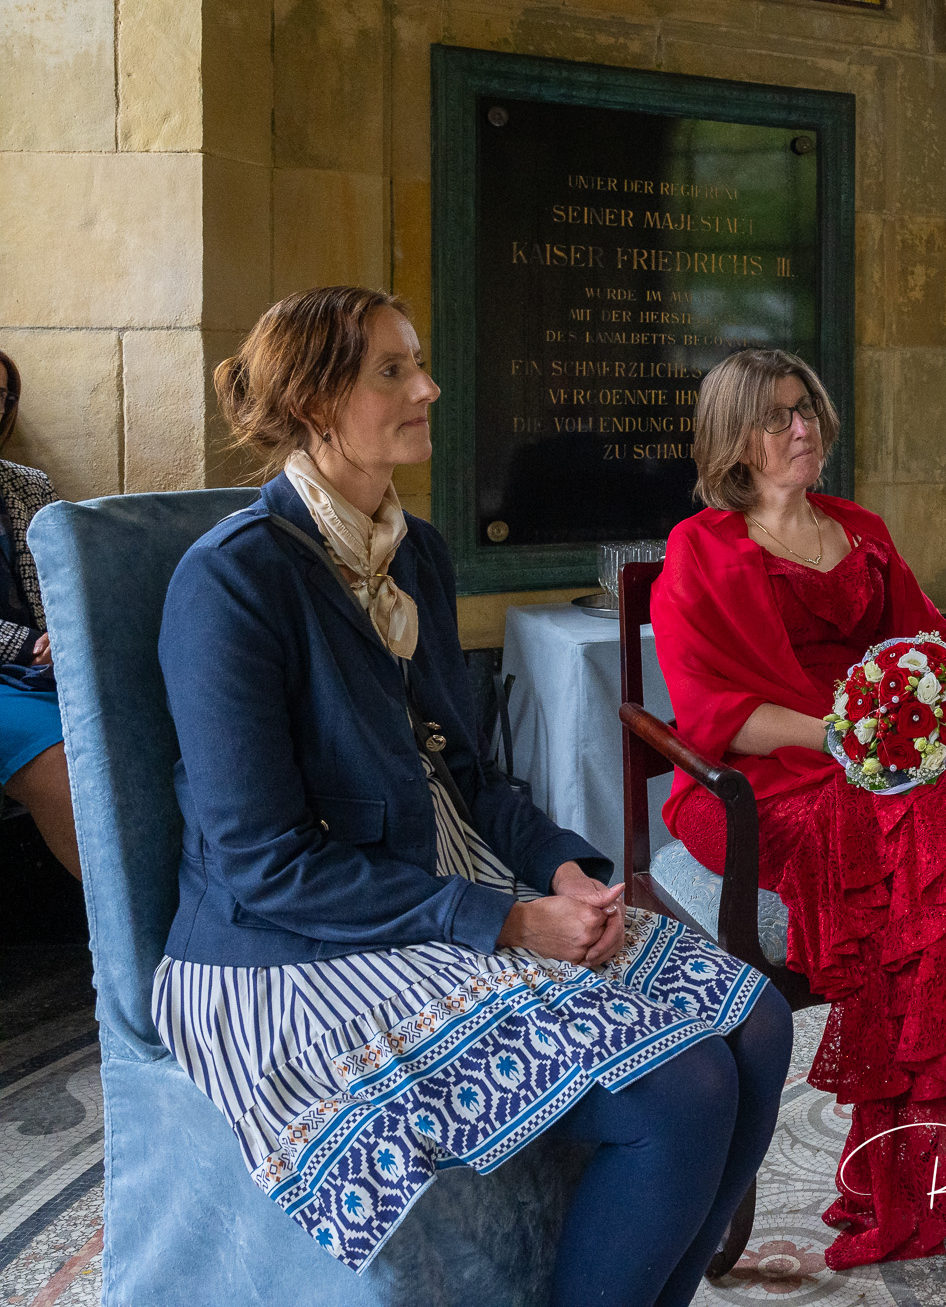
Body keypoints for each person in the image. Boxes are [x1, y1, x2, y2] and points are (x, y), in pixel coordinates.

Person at [154, 287, 791, 1305]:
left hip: (441, 886)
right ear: (319, 403)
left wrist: (570, 871)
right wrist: (505, 922)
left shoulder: (418, 555)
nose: (430, 388)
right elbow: (262, 864)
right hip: (294, 950)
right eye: (394, 371)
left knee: (754, 1019)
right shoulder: (233, 580)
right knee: (681, 1086)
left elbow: (470, 777)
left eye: (420, 363)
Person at [652, 348, 946, 1269]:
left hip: (891, 757)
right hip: (772, 781)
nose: (802, 428)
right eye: (776, 417)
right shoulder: (698, 550)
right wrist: (853, 736)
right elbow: (716, 713)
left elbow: (931, 646)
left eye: (806, 409)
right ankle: (920, 1153)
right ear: (735, 438)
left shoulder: (861, 528)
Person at [0, 349, 78, 879]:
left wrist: (64, 630)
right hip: (9, 674)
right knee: (62, 763)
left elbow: (68, 575)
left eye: (1, 394)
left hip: (56, 661)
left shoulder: (30, 484)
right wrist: (29, 644)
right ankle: (128, 926)